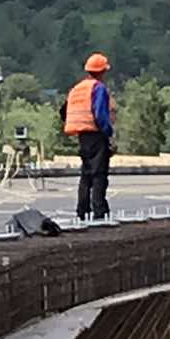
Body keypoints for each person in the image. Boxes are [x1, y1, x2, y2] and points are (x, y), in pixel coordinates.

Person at [63, 52, 114, 220]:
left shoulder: (77, 89)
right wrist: (108, 133)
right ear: (101, 71)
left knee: (86, 174)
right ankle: (99, 211)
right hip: (95, 134)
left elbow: (63, 111)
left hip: (82, 135)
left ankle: (82, 211)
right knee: (99, 174)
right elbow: (100, 114)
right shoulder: (98, 88)